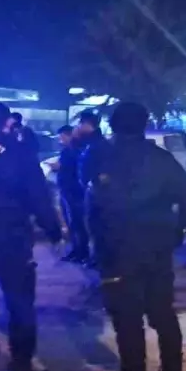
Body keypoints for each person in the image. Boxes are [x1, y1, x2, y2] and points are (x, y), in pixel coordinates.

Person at [88, 102, 186, 371]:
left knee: (128, 320)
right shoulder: (161, 158)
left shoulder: (99, 155)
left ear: (113, 125)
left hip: (117, 249)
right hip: (158, 248)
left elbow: (91, 204)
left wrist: (93, 246)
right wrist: (177, 233)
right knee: (163, 312)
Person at [0, 102, 64, 371]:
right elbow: (37, 195)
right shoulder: (19, 153)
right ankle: (22, 366)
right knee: (20, 301)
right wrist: (53, 230)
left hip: (9, 231)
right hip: (10, 235)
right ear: (6, 123)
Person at [76, 110, 110, 269]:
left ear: (87, 125)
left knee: (98, 227)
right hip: (92, 192)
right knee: (94, 227)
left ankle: (101, 259)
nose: (78, 127)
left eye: (80, 124)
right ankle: (97, 257)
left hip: (98, 194)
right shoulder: (91, 143)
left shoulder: (98, 144)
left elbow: (103, 171)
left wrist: (94, 181)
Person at [55, 125, 88, 262]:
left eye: (62, 137)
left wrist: (58, 167)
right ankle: (76, 250)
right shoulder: (70, 150)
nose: (60, 140)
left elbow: (72, 169)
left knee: (76, 223)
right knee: (71, 223)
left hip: (72, 191)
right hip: (67, 191)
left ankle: (81, 252)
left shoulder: (74, 151)